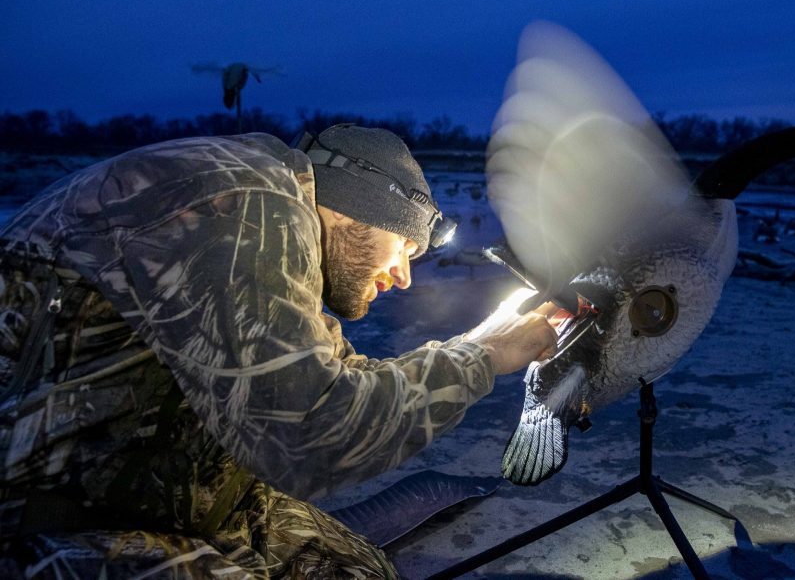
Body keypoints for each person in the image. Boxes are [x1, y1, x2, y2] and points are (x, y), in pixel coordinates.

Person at [0, 125, 556, 578]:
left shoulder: (277, 223)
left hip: (142, 484)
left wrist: (475, 344)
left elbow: (339, 377)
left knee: (363, 572)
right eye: (405, 246)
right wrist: (483, 356)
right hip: (42, 514)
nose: (405, 276)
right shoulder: (250, 198)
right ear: (359, 208)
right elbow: (310, 431)